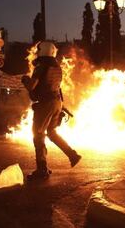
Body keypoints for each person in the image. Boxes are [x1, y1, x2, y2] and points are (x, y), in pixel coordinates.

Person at [21, 41, 81, 181]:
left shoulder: (41, 66)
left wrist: (25, 80)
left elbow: (31, 86)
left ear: (43, 51)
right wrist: (60, 106)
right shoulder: (57, 66)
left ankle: (42, 169)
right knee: (52, 133)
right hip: (56, 102)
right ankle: (72, 155)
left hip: (46, 104)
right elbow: (58, 88)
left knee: (38, 134)